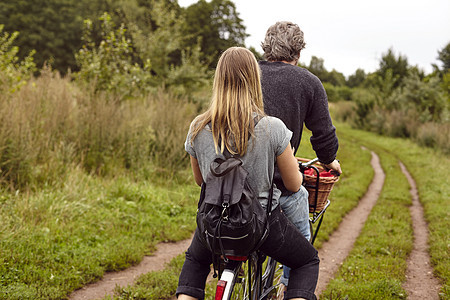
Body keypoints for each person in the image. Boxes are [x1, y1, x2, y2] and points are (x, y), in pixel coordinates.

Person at [176, 47, 319, 300]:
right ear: (254, 79)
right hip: (261, 228)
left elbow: (201, 181)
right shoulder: (272, 128)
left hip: (214, 224)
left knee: (195, 263)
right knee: (306, 261)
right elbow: (294, 185)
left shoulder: (198, 127)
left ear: (218, 81)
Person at [259, 21, 342, 290]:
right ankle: (291, 289)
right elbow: (323, 136)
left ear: (267, 45)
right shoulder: (308, 82)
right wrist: (331, 161)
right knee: (301, 243)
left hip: (235, 179)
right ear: (298, 50)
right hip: (279, 182)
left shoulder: (248, 73)